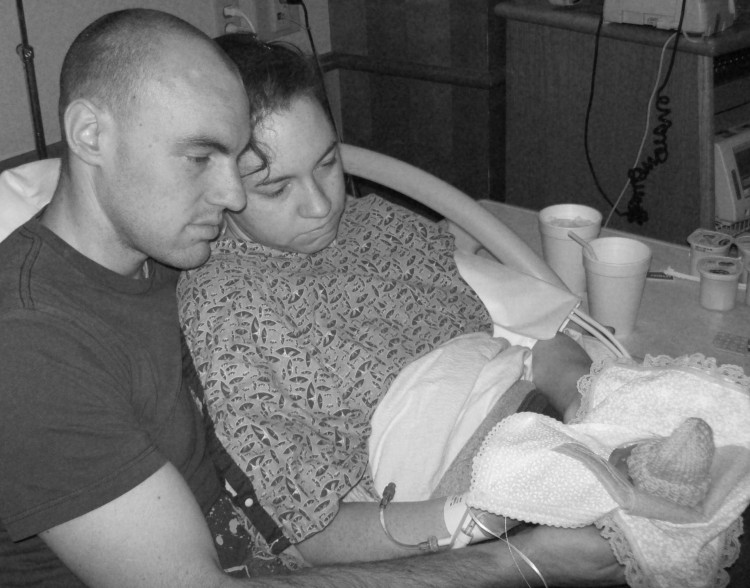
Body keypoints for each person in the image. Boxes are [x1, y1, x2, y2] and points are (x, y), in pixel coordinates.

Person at [0, 8, 625, 588]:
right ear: (89, 135)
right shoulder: (31, 347)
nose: (233, 198)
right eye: (199, 158)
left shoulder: (160, 249)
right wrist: (521, 560)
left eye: (236, 161)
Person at [177, 33, 602, 569]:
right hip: (451, 499)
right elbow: (307, 529)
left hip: (529, 400)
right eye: (275, 188)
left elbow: (488, 342)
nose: (320, 205)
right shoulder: (229, 308)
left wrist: (575, 387)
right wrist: (476, 521)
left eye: (327, 163)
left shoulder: (378, 224)